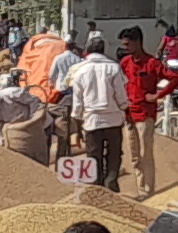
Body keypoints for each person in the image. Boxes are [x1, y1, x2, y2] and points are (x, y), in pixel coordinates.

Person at [63, 31, 127, 182]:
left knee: (93, 155)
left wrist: (77, 121)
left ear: (88, 51)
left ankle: (96, 186)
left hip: (91, 121)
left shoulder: (80, 70)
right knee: (114, 154)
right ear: (103, 50)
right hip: (114, 119)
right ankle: (111, 182)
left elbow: (77, 101)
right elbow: (121, 94)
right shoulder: (114, 68)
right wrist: (125, 108)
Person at [117, 28, 171, 193]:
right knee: (134, 157)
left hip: (145, 115)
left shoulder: (152, 63)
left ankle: (149, 188)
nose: (125, 48)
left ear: (137, 42)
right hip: (129, 115)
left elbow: (174, 78)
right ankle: (141, 190)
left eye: (128, 44)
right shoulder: (125, 63)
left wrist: (158, 95)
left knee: (145, 154)